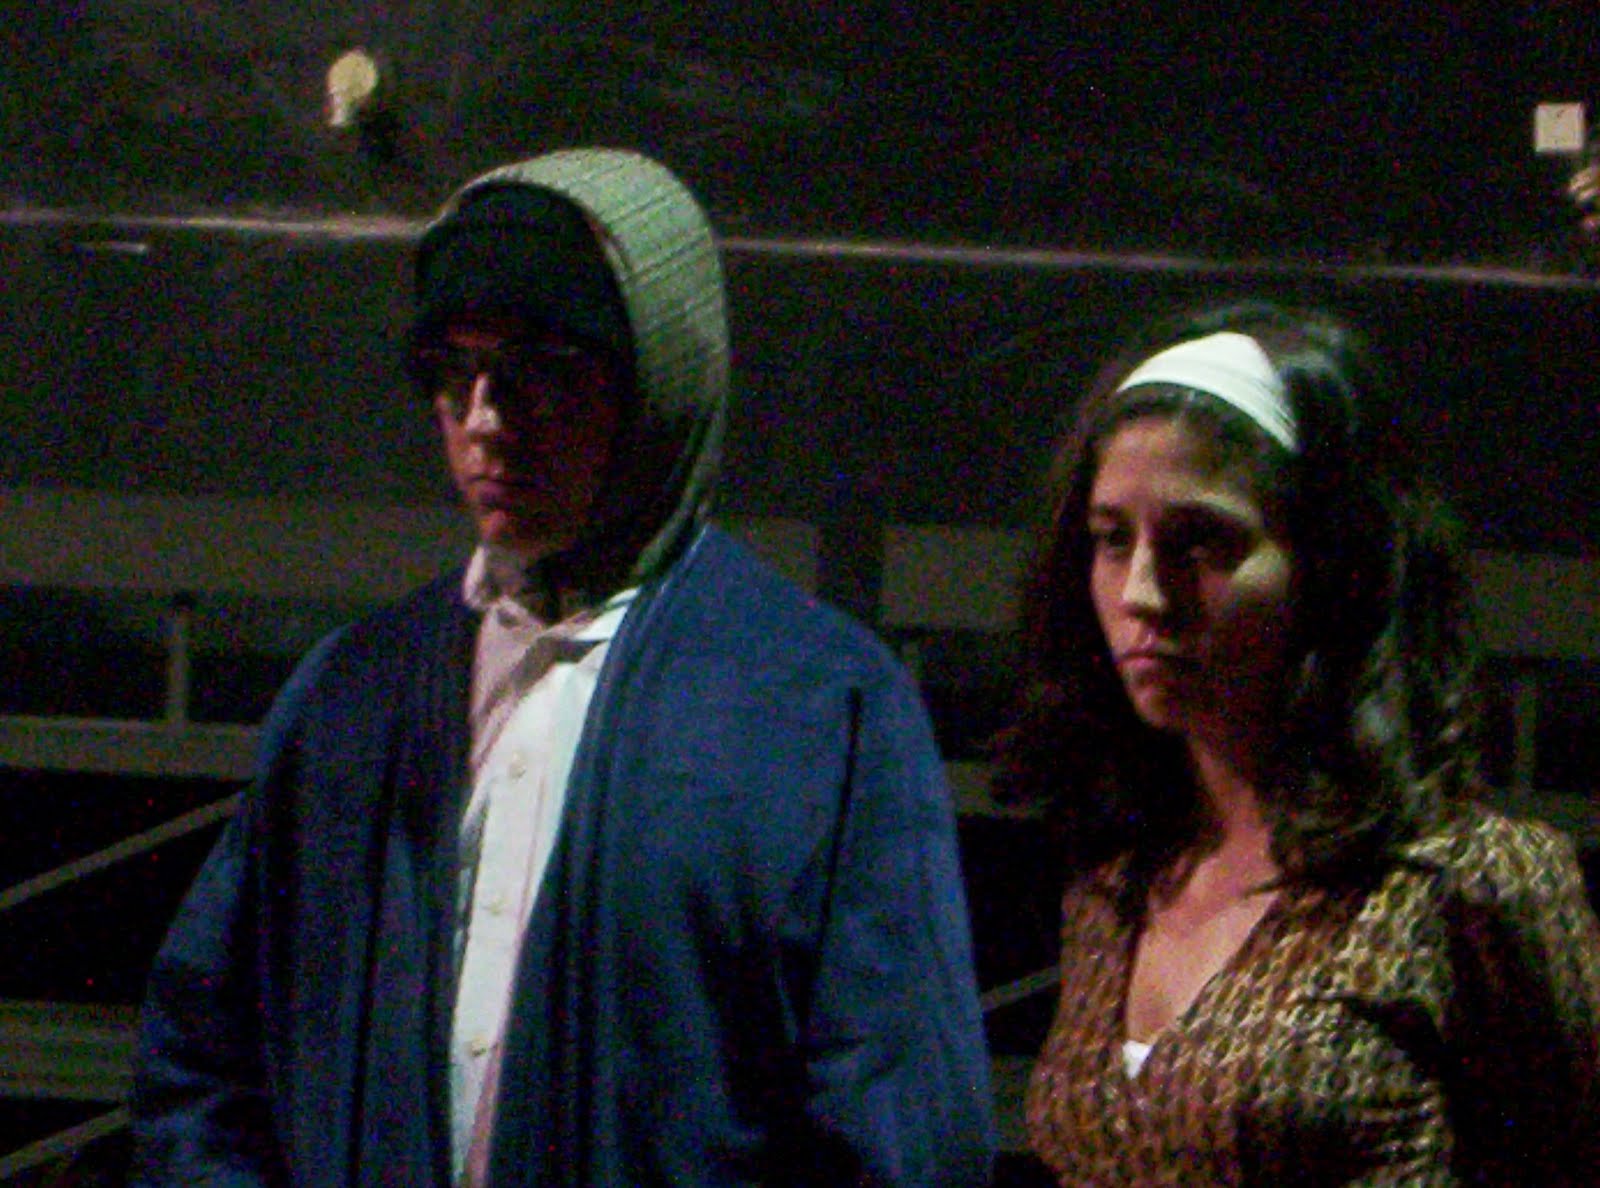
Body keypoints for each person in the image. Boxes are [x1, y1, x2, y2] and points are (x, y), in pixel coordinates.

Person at [129, 148, 995, 1186]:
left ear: (655, 383)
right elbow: (203, 1058)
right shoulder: (354, 694)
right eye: (453, 372)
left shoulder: (814, 707)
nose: (484, 420)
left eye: (540, 373)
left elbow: (900, 1122)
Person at [1002, 300, 1600, 1184]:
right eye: (1112, 539)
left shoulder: (1462, 880)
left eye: (1201, 542)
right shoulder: (1118, 885)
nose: (1142, 594)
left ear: (1331, 561)